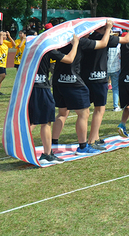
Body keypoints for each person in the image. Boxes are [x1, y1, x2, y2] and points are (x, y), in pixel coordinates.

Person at [51, 20, 114, 155]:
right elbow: (103, 43)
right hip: (73, 81)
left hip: (58, 81)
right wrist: (108, 28)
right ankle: (83, 146)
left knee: (62, 113)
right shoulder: (81, 41)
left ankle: (53, 143)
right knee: (83, 114)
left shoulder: (60, 41)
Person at [81, 20, 129, 150]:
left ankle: (91, 139)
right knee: (99, 109)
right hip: (100, 78)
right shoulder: (105, 37)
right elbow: (126, 40)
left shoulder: (88, 38)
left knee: (85, 111)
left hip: (85, 77)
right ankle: (91, 140)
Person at [32, 35, 80, 165]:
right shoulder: (47, 48)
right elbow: (69, 59)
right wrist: (75, 43)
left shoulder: (31, 47)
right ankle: (47, 154)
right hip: (42, 87)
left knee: (33, 119)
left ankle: (19, 145)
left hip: (29, 87)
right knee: (44, 121)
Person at [0, 31, 15, 97]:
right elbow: (0, 43)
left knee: (0, 77)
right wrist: (1, 35)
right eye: (3, 35)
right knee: (2, 76)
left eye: (5, 35)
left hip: (3, 63)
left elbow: (13, 44)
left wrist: (9, 36)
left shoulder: (5, 42)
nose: (5, 36)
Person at [107, 28, 122, 112]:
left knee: (104, 88)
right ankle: (116, 106)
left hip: (105, 69)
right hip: (116, 69)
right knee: (115, 88)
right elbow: (120, 56)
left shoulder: (106, 44)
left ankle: (101, 105)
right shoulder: (119, 45)